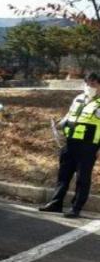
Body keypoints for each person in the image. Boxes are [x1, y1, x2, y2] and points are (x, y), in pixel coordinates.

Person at [39, 72, 100, 218]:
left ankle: (76, 208)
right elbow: (69, 115)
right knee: (63, 175)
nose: (89, 86)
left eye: (93, 83)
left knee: (82, 178)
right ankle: (56, 203)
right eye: (87, 83)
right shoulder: (79, 98)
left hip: (88, 146)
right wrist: (60, 124)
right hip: (70, 143)